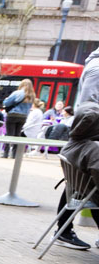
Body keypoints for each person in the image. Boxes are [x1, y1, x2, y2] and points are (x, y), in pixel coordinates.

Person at [51, 102, 99, 250]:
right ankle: (63, 232)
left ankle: (62, 232)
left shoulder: (74, 141)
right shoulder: (93, 149)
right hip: (90, 192)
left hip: (77, 188)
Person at [2, 78, 34, 157]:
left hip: (13, 115)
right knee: (17, 134)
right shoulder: (32, 95)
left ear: (22, 85)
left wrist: (6, 100)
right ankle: (14, 154)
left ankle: (6, 153)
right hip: (23, 117)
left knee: (9, 134)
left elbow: (6, 103)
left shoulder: (17, 93)